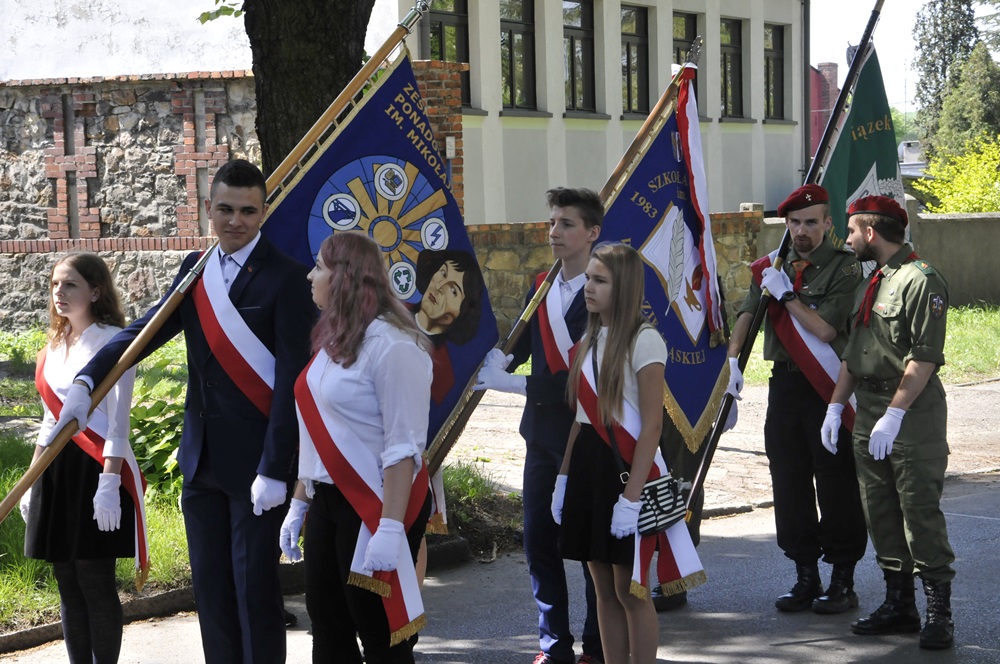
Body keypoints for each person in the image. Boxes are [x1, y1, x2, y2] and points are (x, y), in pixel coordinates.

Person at [48, 159, 315, 663]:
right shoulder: (197, 269)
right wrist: (87, 381)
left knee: (253, 592)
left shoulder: (287, 278)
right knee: (211, 596)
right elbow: (141, 333)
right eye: (226, 209)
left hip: (257, 466)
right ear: (208, 208)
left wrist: (277, 466)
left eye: (248, 211)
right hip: (201, 461)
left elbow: (291, 384)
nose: (235, 220)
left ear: (263, 212)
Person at [278, 232, 433, 663]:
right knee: (327, 622)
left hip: (376, 501)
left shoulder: (394, 345)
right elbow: (319, 429)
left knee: (379, 628)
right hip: (329, 499)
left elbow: (403, 447)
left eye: (319, 267)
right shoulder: (336, 338)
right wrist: (300, 500)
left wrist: (390, 527)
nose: (310, 276)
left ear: (344, 278)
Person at [474, 187, 603, 664]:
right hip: (541, 437)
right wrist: (501, 359)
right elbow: (525, 344)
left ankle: (597, 645)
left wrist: (512, 384)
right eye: (552, 222)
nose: (554, 232)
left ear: (592, 232)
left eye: (567, 224)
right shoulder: (542, 288)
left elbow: (583, 379)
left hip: (587, 437)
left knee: (588, 550)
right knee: (539, 544)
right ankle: (554, 645)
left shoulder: (602, 292)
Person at [726, 183, 868, 614]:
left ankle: (842, 578)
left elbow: (825, 330)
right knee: (788, 481)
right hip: (785, 385)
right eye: (794, 223)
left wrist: (786, 295)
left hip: (827, 387)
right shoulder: (773, 265)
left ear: (827, 223)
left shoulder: (844, 267)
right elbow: (747, 314)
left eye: (810, 222)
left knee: (835, 480)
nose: (802, 231)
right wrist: (732, 361)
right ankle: (805, 573)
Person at [822, 195, 956, 650]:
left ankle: (939, 611)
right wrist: (835, 407)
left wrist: (895, 413)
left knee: (919, 510)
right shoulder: (871, 282)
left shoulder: (922, 280)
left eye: (852, 231)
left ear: (871, 232)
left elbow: (924, 357)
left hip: (912, 414)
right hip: (868, 409)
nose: (848, 239)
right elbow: (853, 353)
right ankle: (899, 603)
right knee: (878, 509)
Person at [20, 252, 143, 663]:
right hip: (57, 470)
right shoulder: (53, 346)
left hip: (97, 467)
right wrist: (32, 479)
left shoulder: (114, 341)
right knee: (67, 581)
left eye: (70, 284)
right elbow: (49, 421)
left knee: (94, 579)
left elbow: (119, 422)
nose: (59, 292)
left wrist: (109, 482)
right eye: (55, 284)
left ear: (95, 291)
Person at [554, 241, 665, 664]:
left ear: (625, 287)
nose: (589, 287)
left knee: (630, 589)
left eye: (600, 280)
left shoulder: (644, 340)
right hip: (589, 467)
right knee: (601, 586)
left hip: (626, 473)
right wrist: (563, 478)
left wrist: (632, 500)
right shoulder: (590, 338)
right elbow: (582, 420)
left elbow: (652, 426)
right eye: (588, 278)